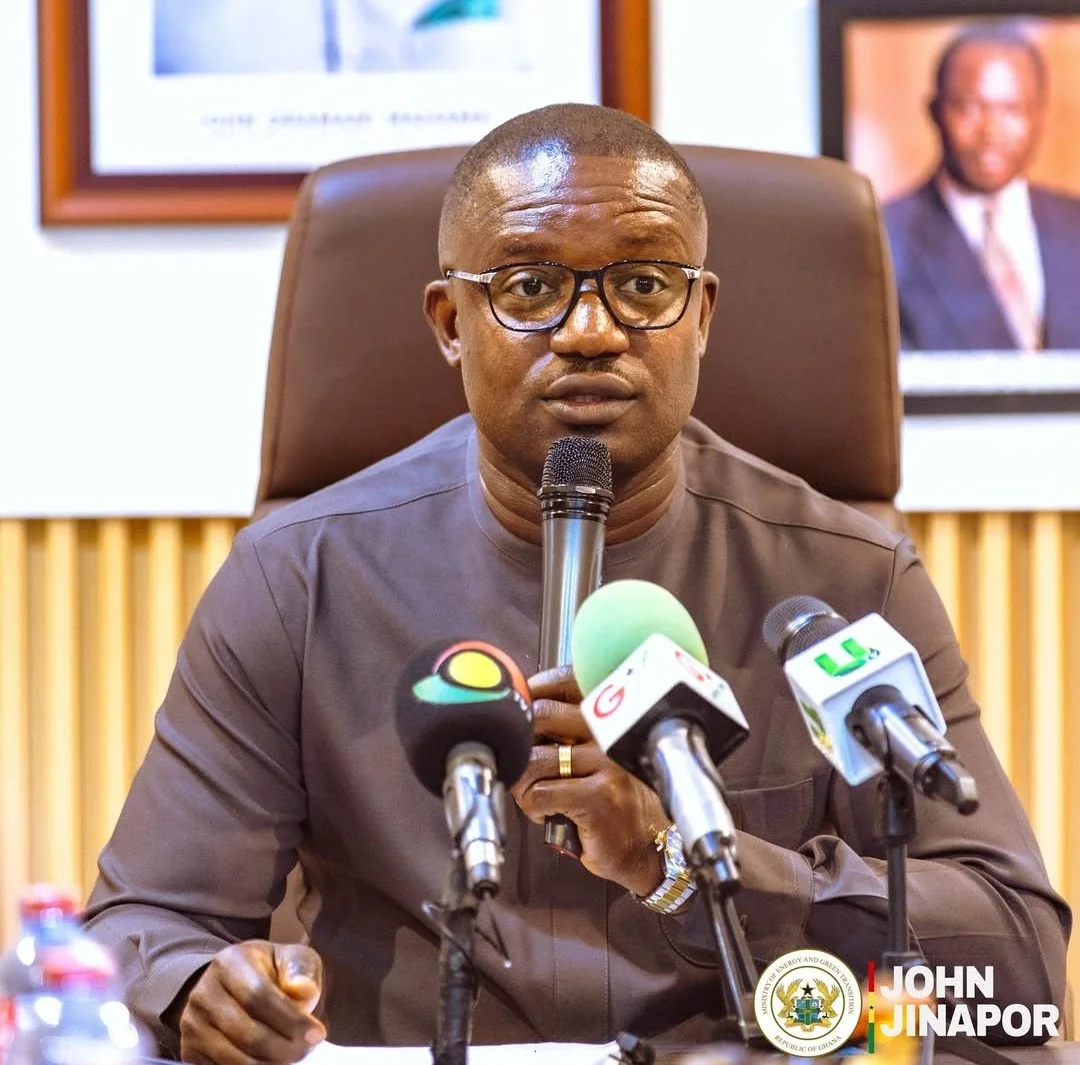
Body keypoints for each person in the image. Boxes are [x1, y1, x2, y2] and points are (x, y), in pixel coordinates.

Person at [83, 103, 1069, 1063]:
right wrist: (203, 989)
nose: (591, 331)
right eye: (529, 286)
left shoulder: (845, 581)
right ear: (451, 322)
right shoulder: (298, 577)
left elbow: (1018, 963)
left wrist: (679, 859)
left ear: (701, 315)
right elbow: (142, 926)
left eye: (642, 285)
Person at [883, 23, 1080, 352]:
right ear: (935, 112)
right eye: (970, 108)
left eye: (1012, 110)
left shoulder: (1074, 224)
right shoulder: (886, 238)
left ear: (1040, 115)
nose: (991, 132)